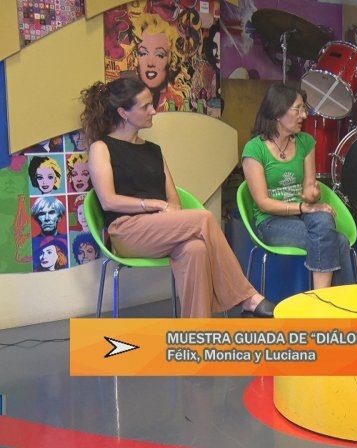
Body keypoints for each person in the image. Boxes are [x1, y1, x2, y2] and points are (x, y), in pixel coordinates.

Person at [80, 76, 274, 318]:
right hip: (126, 231)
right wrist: (154, 204)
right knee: (204, 218)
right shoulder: (102, 148)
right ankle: (247, 297)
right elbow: (108, 201)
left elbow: (175, 202)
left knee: (196, 249)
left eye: (152, 104)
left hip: (161, 227)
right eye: (145, 107)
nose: (153, 111)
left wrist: (163, 210)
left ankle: (196, 332)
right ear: (123, 113)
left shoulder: (153, 151)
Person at [242, 83, 356, 289]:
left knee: (324, 220)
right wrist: (304, 207)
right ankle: (326, 300)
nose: (304, 115)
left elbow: (309, 188)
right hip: (271, 221)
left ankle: (327, 301)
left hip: (302, 215)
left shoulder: (305, 142)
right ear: (278, 112)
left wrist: (312, 195)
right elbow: (263, 203)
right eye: (298, 109)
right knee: (338, 241)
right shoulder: (254, 149)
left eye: (304, 109)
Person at [131, 13, 190, 112]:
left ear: (172, 59)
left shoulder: (177, 101)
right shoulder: (128, 100)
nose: (150, 63)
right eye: (143, 53)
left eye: (159, 55)